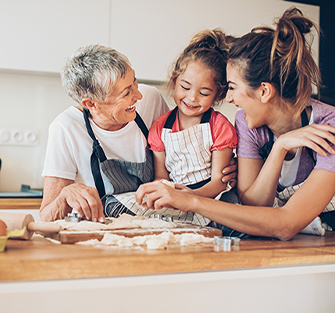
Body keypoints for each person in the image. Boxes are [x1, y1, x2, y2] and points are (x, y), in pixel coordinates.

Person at [136, 8, 335, 240]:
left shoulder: (329, 127)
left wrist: (191, 200)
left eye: (231, 87)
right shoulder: (247, 122)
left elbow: (286, 224)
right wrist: (279, 148)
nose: (228, 98)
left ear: (263, 91)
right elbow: (254, 205)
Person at [39, 44, 237, 222]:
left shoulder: (150, 99)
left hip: (159, 224)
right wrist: (65, 195)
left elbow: (181, 154)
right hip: (106, 234)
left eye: (134, 82)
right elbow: (46, 215)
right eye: (126, 93)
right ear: (92, 104)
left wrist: (222, 170)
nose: (138, 95)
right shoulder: (65, 128)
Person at [147, 29, 237, 226]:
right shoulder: (160, 128)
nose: (192, 98)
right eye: (185, 87)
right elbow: (161, 178)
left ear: (218, 95)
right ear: (174, 81)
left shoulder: (220, 127)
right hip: (175, 198)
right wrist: (170, 195)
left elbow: (219, 182)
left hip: (211, 200)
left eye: (204, 93)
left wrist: (191, 197)